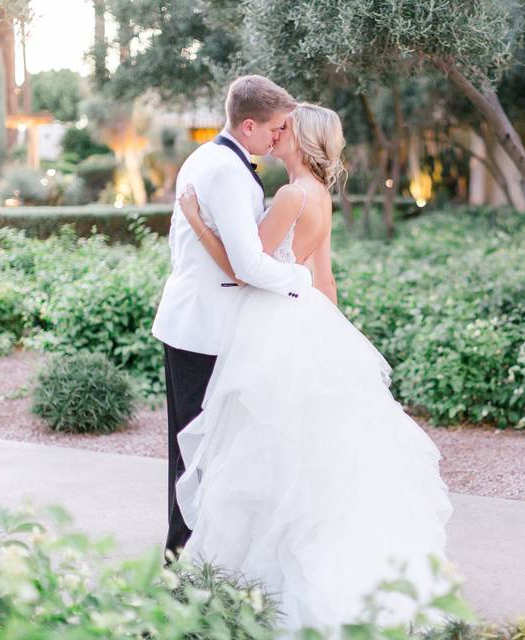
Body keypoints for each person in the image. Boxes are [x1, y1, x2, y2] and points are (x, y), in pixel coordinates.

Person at [173, 102, 453, 631]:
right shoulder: (321, 196)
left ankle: (263, 587)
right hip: (311, 323)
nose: (277, 133)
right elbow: (326, 283)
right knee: (314, 460)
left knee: (268, 455)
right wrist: (332, 345)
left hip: (274, 326)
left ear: (302, 141)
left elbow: (243, 268)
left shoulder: (291, 194)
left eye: (286, 129)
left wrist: (193, 219)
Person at [152, 75, 313, 555]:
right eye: (275, 128)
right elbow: (245, 265)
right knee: (195, 449)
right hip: (202, 327)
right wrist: (300, 283)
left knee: (206, 448)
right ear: (248, 125)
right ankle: (181, 558)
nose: (279, 136)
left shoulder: (215, 159)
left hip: (209, 323)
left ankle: (202, 554)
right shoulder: (223, 169)